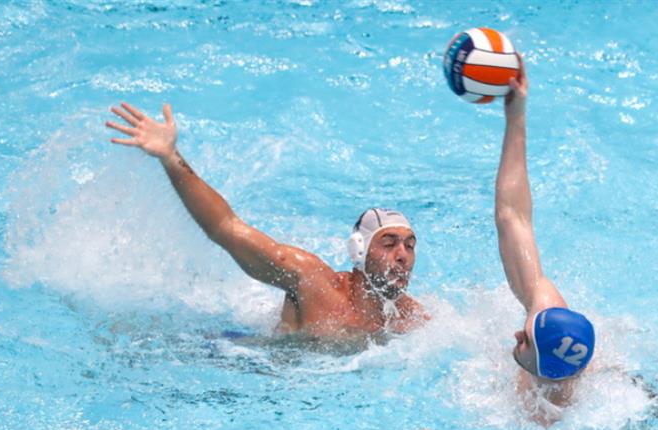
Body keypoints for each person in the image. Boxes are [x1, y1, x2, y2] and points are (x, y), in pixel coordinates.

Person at [105, 103, 426, 340]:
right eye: (389, 243)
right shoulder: (311, 281)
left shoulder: (412, 320)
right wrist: (170, 157)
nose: (402, 255)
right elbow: (226, 228)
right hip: (251, 364)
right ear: (358, 250)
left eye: (410, 246)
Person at [494, 59, 596, 425]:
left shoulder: (555, 416)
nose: (516, 334)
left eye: (524, 341)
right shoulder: (549, 310)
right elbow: (512, 216)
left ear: (544, 369)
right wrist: (516, 118)